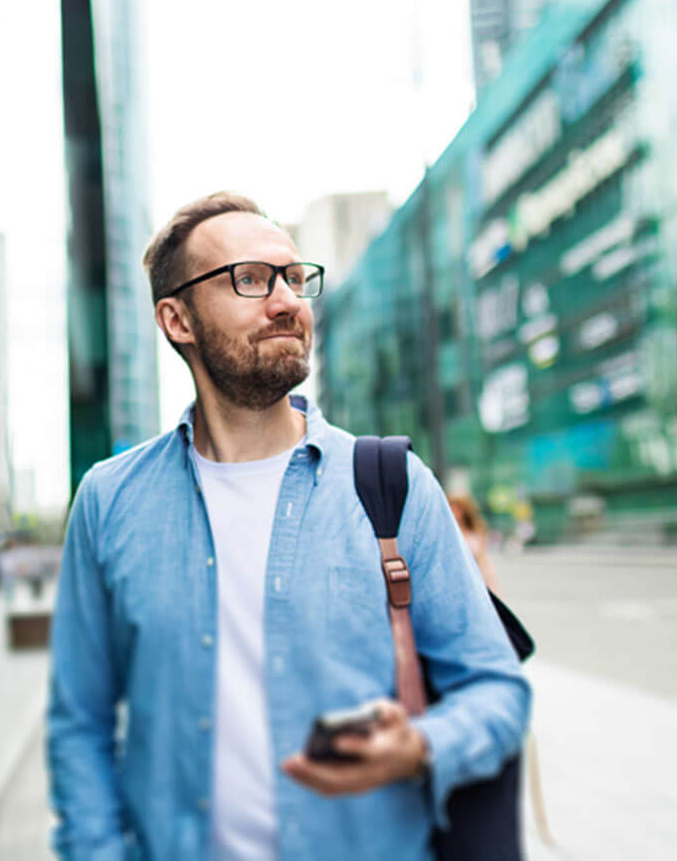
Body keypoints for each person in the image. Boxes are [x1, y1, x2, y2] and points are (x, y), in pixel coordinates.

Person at [47, 193, 529, 859]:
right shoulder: (109, 501)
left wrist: (419, 747)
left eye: (295, 278)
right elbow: (80, 722)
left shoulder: (392, 484)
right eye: (249, 279)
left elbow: (497, 691)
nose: (286, 302)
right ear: (177, 319)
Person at [447, 493, 501, 596]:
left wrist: (490, 583)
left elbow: (483, 559)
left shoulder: (476, 531)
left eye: (457, 508)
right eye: (451, 507)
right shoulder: (447, 531)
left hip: (476, 577)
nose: (454, 511)